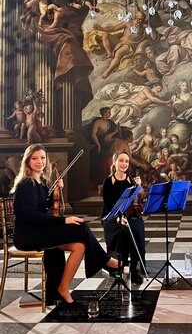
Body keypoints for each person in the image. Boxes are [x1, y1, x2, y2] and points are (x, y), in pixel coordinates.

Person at [11, 144, 118, 307]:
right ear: (27, 162)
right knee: (80, 227)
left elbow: (43, 206)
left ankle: (63, 288)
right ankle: (106, 261)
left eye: (42, 157)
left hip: (39, 230)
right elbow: (33, 216)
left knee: (79, 246)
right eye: (35, 158)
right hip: (27, 235)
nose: (40, 161)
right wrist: (63, 221)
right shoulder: (26, 184)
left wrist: (57, 189)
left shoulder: (41, 181)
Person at [102, 151, 146, 285]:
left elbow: (140, 197)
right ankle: (120, 267)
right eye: (121, 161)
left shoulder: (132, 179)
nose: (124, 164)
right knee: (124, 231)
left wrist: (139, 187)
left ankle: (134, 268)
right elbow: (108, 205)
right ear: (115, 163)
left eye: (126, 161)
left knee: (137, 229)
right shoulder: (108, 182)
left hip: (131, 215)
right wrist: (117, 218)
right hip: (112, 216)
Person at [90, 107, 118, 195]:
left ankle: (109, 184)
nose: (110, 114)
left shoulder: (110, 123)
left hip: (108, 146)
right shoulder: (97, 122)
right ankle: (100, 184)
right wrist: (98, 144)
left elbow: (111, 136)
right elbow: (93, 135)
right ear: (104, 113)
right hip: (100, 145)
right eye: (109, 112)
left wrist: (116, 131)